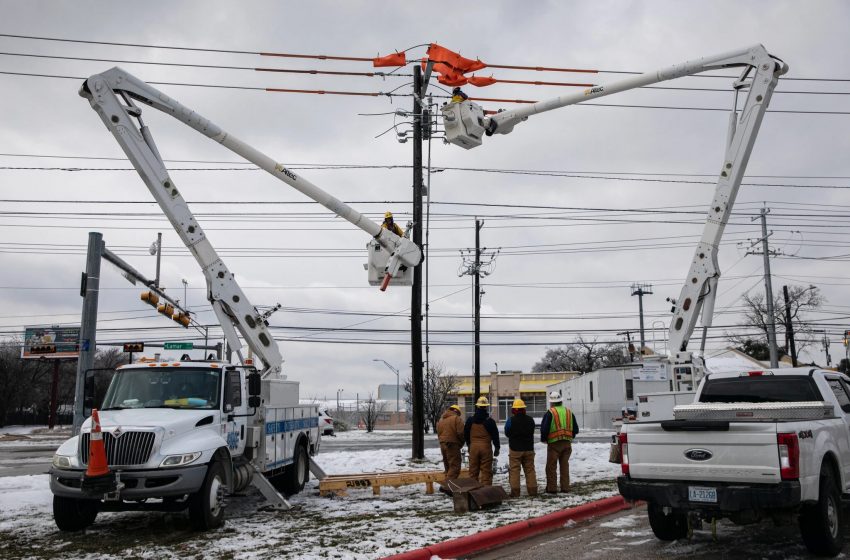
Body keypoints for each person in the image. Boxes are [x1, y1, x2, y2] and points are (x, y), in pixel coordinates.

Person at [540, 391, 578, 493]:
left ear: (551, 403)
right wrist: (570, 436)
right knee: (564, 466)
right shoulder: (569, 412)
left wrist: (544, 439)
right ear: (561, 401)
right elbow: (576, 429)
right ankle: (565, 488)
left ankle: (552, 489)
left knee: (551, 467)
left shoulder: (550, 413)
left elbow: (544, 429)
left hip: (554, 444)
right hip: (567, 443)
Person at [504, 398, 538, 498]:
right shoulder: (530, 420)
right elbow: (531, 431)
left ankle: (515, 493)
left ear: (514, 409)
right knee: (530, 470)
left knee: (515, 470)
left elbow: (507, 432)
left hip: (515, 449)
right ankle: (532, 491)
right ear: (524, 409)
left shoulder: (511, 420)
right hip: (529, 449)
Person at [464, 396, 500, 486]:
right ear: (486, 407)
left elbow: (466, 433)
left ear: (477, 406)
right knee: (486, 472)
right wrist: (497, 447)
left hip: (474, 448)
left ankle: (473, 491)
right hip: (486, 448)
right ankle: (486, 493)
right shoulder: (490, 421)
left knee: (473, 471)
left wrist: (469, 444)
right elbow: (495, 435)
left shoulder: (470, 420)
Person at [436, 404, 465, 493]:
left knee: (448, 467)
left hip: (442, 444)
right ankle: (446, 487)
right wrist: (461, 443)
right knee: (455, 466)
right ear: (456, 411)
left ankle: (448, 486)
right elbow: (461, 433)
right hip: (452, 444)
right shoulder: (456, 419)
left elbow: (439, 433)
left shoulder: (441, 420)